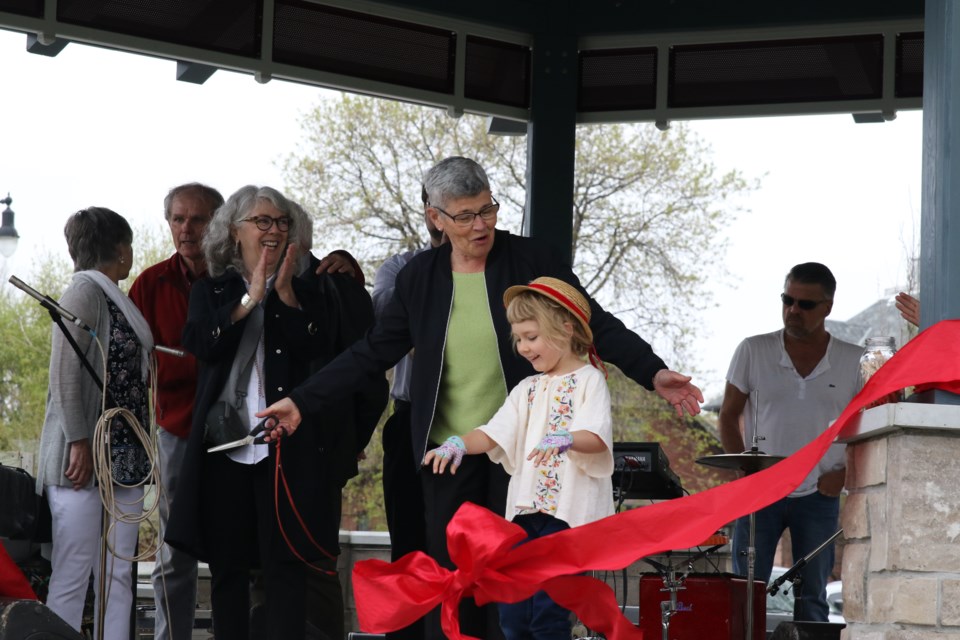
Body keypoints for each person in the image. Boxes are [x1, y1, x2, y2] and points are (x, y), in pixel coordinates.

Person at [259, 156, 703, 639]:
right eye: (465, 216)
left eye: (487, 209)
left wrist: (652, 371)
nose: (481, 224)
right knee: (455, 580)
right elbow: (369, 354)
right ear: (436, 218)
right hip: (452, 452)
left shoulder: (532, 260)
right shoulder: (419, 279)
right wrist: (301, 401)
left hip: (519, 457)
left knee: (512, 585)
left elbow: (590, 320)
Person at [131, 183, 366, 640]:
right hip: (225, 453)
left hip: (286, 453)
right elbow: (201, 344)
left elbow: (316, 347)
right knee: (227, 572)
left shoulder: (307, 291)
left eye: (281, 221)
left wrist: (288, 299)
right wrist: (249, 299)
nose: (273, 229)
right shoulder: (211, 289)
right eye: (262, 221)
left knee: (285, 571)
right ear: (234, 233)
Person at [423, 276, 614, 640]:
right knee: (512, 614)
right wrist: (458, 444)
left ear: (565, 327)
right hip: (525, 516)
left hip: (567, 518)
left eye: (531, 337)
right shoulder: (527, 388)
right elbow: (495, 431)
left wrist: (566, 438)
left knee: (549, 615)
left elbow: (596, 436)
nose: (523, 347)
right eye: (519, 339)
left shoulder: (590, 379)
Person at [717, 262, 861, 622]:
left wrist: (844, 476)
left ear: (828, 307)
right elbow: (727, 414)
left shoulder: (855, 360)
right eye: (788, 300)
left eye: (806, 304)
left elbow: (869, 428)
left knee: (812, 597)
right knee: (744, 593)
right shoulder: (752, 349)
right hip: (760, 491)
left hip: (819, 494)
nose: (793, 311)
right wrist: (744, 472)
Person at [36, 207, 154, 640]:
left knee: (119, 572)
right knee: (74, 569)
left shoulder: (109, 295)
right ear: (121, 250)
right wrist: (80, 442)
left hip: (123, 457)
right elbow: (65, 373)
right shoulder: (84, 293)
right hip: (83, 459)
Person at [129, 182, 223, 640]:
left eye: (198, 219)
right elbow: (128, 358)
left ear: (217, 223)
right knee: (173, 553)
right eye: (178, 219)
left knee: (233, 550)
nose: (187, 229)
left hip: (233, 435)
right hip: (177, 432)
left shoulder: (237, 280)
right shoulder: (150, 282)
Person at [370, 185, 444, 640]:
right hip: (410, 418)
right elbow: (386, 315)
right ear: (430, 212)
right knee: (408, 544)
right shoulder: (400, 266)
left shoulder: (490, 269)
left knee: (463, 547)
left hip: (475, 427)